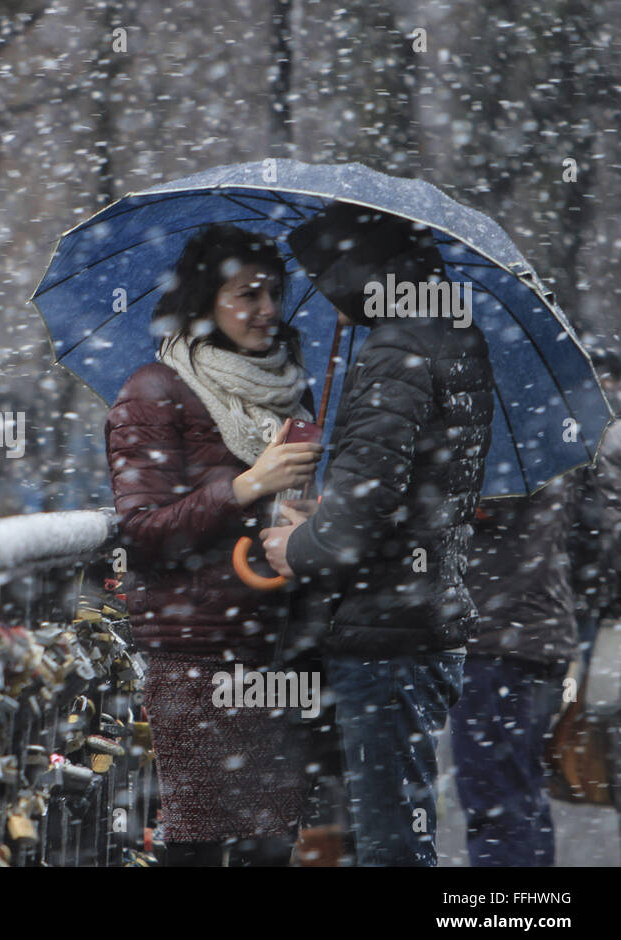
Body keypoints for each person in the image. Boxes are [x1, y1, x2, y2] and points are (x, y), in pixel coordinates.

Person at [260, 203, 494, 866]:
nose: (331, 300)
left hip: (388, 634)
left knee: (389, 844)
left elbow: (354, 529)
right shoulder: (453, 332)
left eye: (330, 278)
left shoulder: (398, 350)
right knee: (396, 831)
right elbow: (413, 492)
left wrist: (295, 544)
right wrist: (329, 513)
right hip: (424, 619)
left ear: (359, 273)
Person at [104, 224, 321, 867]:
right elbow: (141, 532)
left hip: (276, 646)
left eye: (275, 293)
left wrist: (303, 517)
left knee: (271, 843)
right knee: (197, 844)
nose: (266, 310)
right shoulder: (154, 390)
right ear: (204, 303)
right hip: (193, 653)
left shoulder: (292, 391)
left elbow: (279, 517)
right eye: (247, 294)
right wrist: (247, 485)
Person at [449, 480, 579, 865]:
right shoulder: (545, 439)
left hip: (499, 638)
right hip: (537, 630)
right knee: (520, 792)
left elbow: (468, 508)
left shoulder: (492, 444)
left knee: (497, 802)